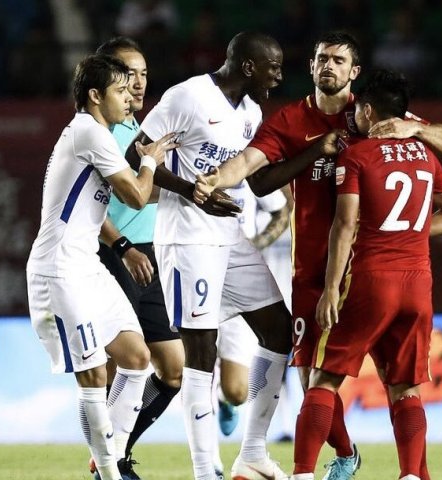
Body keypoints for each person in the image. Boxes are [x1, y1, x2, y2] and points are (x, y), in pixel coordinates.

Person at [194, 30, 442, 480]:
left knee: (337, 381)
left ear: (354, 72)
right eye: (321, 58)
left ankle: (312, 470)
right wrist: (215, 178)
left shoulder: (376, 114)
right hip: (315, 272)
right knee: (311, 380)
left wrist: (414, 128)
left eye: (337, 60)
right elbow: (251, 166)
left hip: (371, 273)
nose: (327, 66)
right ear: (312, 66)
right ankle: (350, 452)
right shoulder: (292, 120)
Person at [125, 31, 291, 480]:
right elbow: (133, 152)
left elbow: (256, 182)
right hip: (187, 239)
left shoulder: (252, 112)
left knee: (279, 331)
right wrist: (191, 192)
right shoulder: (188, 96)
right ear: (250, 66)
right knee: (202, 351)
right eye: (273, 67)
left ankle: (253, 453)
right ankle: (207, 470)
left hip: (232, 237)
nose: (278, 76)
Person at [291, 69, 442, 480]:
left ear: (368, 111)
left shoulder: (358, 155)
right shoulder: (425, 156)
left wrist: (331, 288)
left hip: (371, 279)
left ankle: (301, 474)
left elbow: (344, 225)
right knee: (405, 388)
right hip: (418, 284)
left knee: (324, 379)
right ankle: (409, 475)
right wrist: (407, 229)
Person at [26, 54, 177, 480]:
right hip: (59, 271)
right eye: (119, 89)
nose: (130, 96)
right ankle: (110, 474)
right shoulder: (89, 132)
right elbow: (134, 194)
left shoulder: (99, 134)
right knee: (93, 375)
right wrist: (150, 160)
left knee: (135, 357)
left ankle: (109, 459)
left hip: (87, 265)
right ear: (95, 96)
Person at [91, 37, 184, 480]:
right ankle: (110, 464)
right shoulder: (100, 132)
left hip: (148, 256)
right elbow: (87, 208)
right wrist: (121, 247)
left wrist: (195, 190)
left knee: (173, 369)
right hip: (114, 256)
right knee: (118, 369)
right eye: (130, 74)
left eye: (145, 73)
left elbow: (143, 196)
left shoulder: (137, 130)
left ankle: (113, 452)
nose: (139, 82)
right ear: (108, 78)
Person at [211, 183, 291, 474]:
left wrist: (257, 243)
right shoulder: (193, 159)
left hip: (240, 284)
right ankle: (209, 464)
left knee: (237, 391)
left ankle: (224, 399)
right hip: (198, 273)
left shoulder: (250, 169)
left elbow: (282, 211)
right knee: (193, 364)